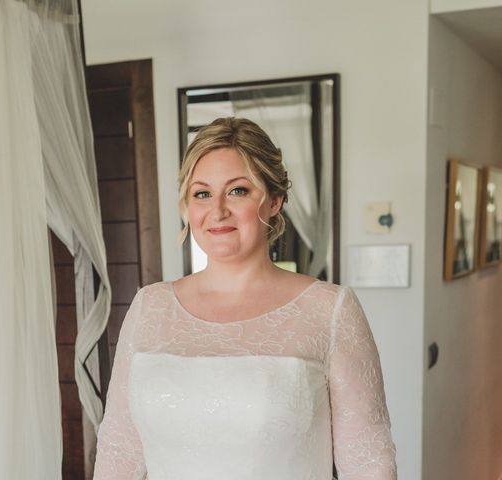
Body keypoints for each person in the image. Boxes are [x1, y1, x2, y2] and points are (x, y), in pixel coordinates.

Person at [93, 117, 397, 479]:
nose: (217, 210)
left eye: (238, 190)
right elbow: (119, 450)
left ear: (275, 201)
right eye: (201, 193)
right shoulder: (149, 306)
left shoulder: (330, 310)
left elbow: (368, 463)